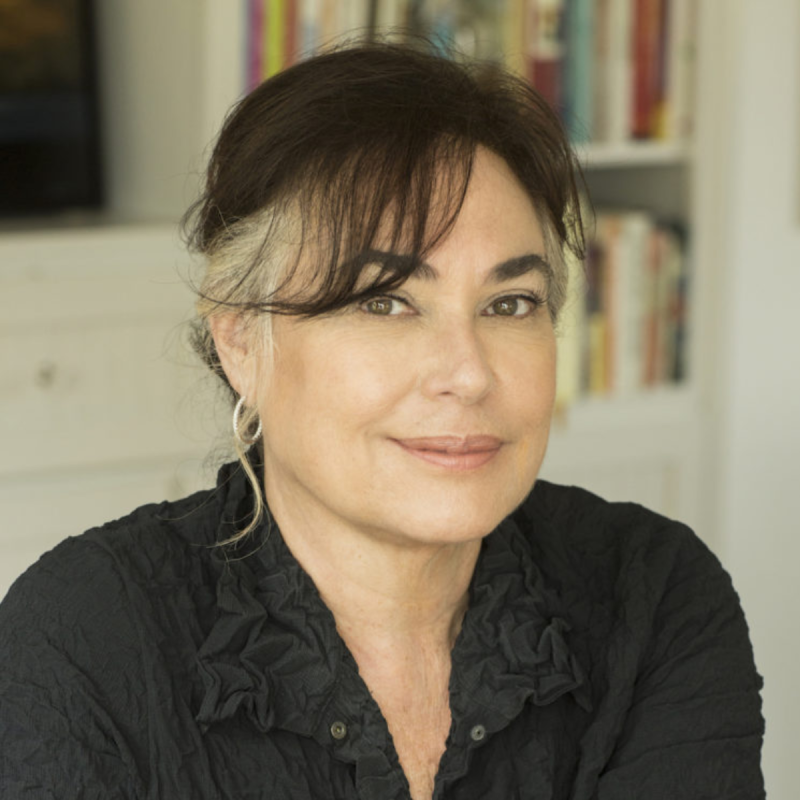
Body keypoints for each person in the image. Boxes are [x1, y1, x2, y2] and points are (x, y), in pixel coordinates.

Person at [0, 41, 764, 800]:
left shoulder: (652, 597)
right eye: (385, 301)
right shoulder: (84, 639)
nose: (469, 373)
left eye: (510, 304)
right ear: (242, 343)